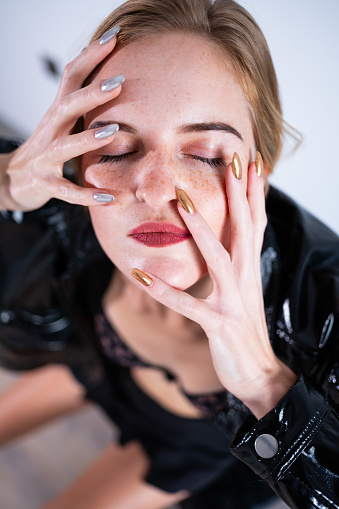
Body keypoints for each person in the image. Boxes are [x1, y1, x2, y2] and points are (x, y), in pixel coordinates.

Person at [0, 0, 338, 508]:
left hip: (180, 441)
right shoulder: (67, 198)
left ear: (259, 174)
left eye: (204, 154)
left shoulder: (323, 303)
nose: (155, 189)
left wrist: (265, 382)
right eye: (114, 150)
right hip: (92, 364)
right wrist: (9, 183)